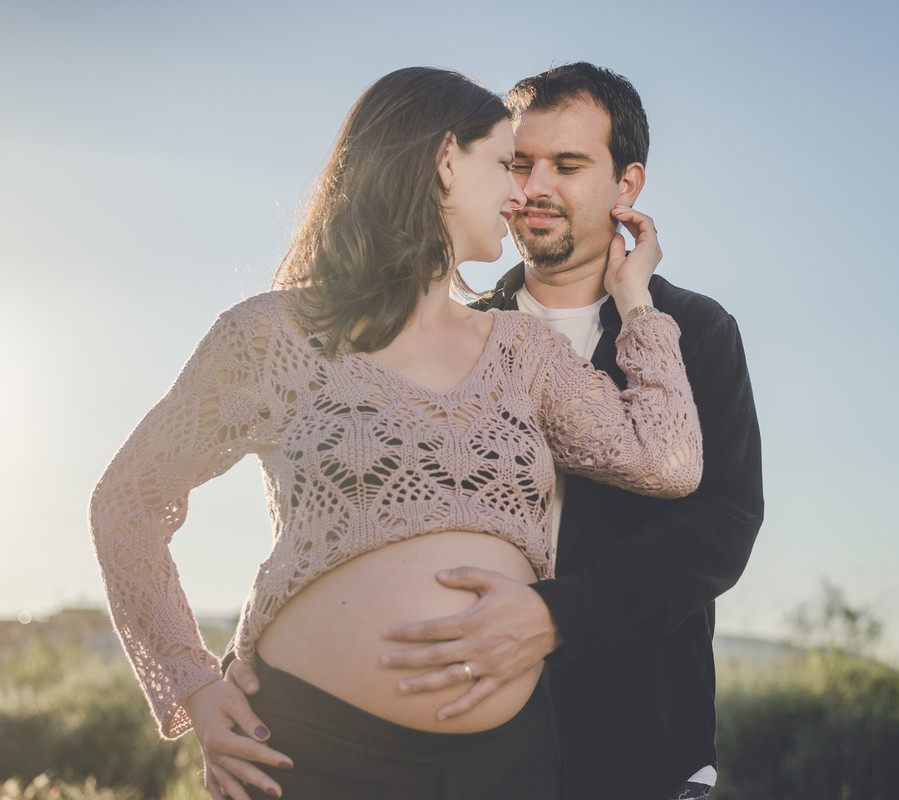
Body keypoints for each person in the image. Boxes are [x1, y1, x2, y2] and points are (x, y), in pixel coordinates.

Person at [89, 66, 703, 800]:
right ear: (446, 161)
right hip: (310, 752)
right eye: (505, 164)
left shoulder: (522, 350)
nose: (520, 194)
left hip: (507, 765)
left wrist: (636, 304)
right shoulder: (271, 335)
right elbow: (127, 501)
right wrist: (190, 683)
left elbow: (668, 461)